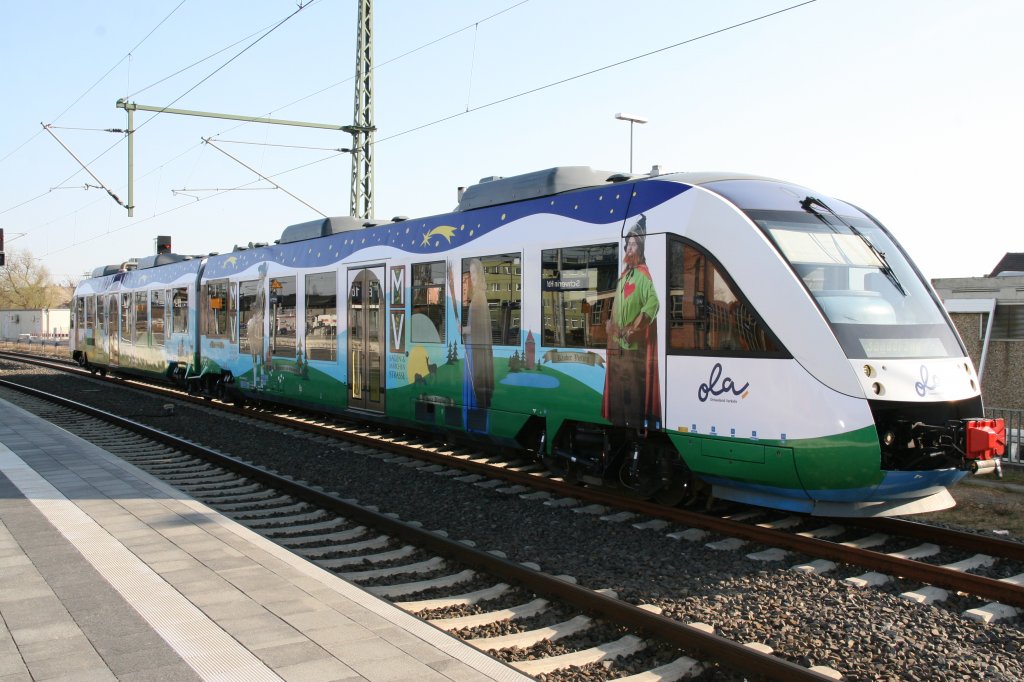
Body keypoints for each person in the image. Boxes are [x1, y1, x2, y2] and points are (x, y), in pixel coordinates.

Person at [602, 215, 662, 430]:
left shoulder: (643, 276)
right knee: (617, 397)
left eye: (634, 244)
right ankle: (620, 432)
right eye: (628, 243)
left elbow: (653, 303)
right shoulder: (623, 277)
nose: (629, 247)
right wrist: (610, 324)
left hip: (632, 351)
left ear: (641, 248)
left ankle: (635, 432)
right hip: (615, 349)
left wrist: (633, 329)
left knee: (633, 396)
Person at [462, 258, 494, 430]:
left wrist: (462, 329)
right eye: (470, 272)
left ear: (480, 274)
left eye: (474, 272)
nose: (472, 276)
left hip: (474, 350)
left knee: (473, 387)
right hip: (474, 349)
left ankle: (474, 424)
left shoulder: (478, 298)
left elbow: (476, 328)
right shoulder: (479, 297)